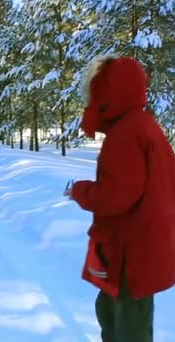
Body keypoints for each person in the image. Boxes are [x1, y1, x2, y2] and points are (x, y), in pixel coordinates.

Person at [63, 55, 175, 341]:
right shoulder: (144, 125)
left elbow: (115, 197)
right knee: (117, 317)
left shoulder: (126, 133)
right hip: (141, 250)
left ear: (109, 93)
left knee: (126, 329)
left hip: (130, 256)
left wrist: (80, 191)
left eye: (96, 91)